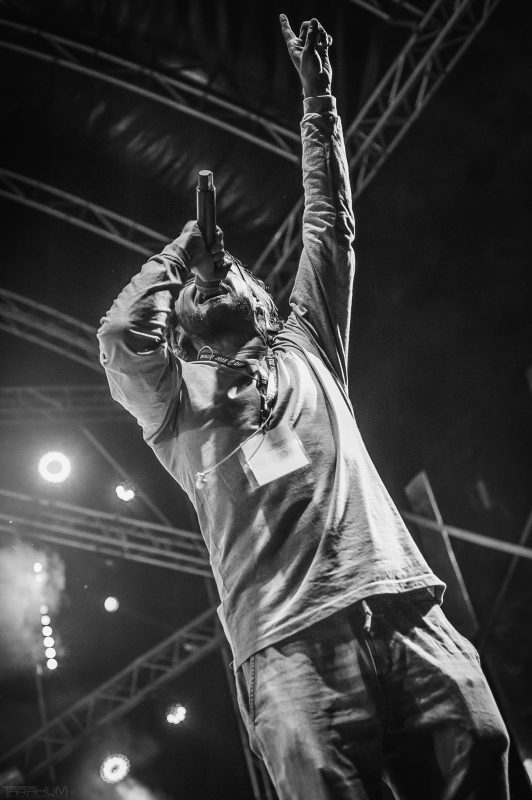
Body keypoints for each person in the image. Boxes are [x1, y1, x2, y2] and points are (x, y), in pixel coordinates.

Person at [98, 13, 510, 800]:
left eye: (229, 271)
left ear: (261, 297)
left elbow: (330, 225)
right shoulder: (175, 404)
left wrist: (318, 99)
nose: (213, 277)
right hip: (286, 642)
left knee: (482, 740)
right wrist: (184, 250)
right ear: (181, 328)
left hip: (396, 601)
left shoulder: (307, 343)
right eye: (194, 288)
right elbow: (120, 335)